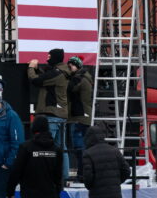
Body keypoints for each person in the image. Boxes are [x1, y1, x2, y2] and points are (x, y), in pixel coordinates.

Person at [27, 48, 72, 179]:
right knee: (61, 148)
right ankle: (64, 177)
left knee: (46, 146)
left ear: (55, 58)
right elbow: (44, 78)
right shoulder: (61, 72)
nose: (46, 59)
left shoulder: (57, 73)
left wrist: (31, 67)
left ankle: (46, 176)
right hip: (59, 115)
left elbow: (36, 80)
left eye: (49, 56)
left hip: (53, 115)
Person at [6, 115, 64, 198]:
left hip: (29, 194)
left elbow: (16, 171)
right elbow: (58, 175)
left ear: (34, 127)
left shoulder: (25, 147)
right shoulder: (57, 150)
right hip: (50, 194)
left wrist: (10, 192)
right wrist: (57, 192)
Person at [81, 125, 131, 198]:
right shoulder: (115, 150)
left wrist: (91, 187)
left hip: (97, 193)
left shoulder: (88, 153)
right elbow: (127, 171)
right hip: (115, 193)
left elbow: (88, 176)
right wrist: (116, 183)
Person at [66, 55, 93, 181]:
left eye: (71, 64)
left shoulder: (78, 79)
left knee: (79, 148)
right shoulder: (86, 77)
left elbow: (68, 89)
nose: (69, 67)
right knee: (83, 148)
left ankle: (82, 175)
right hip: (84, 117)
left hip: (78, 118)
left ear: (77, 66)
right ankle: (84, 174)